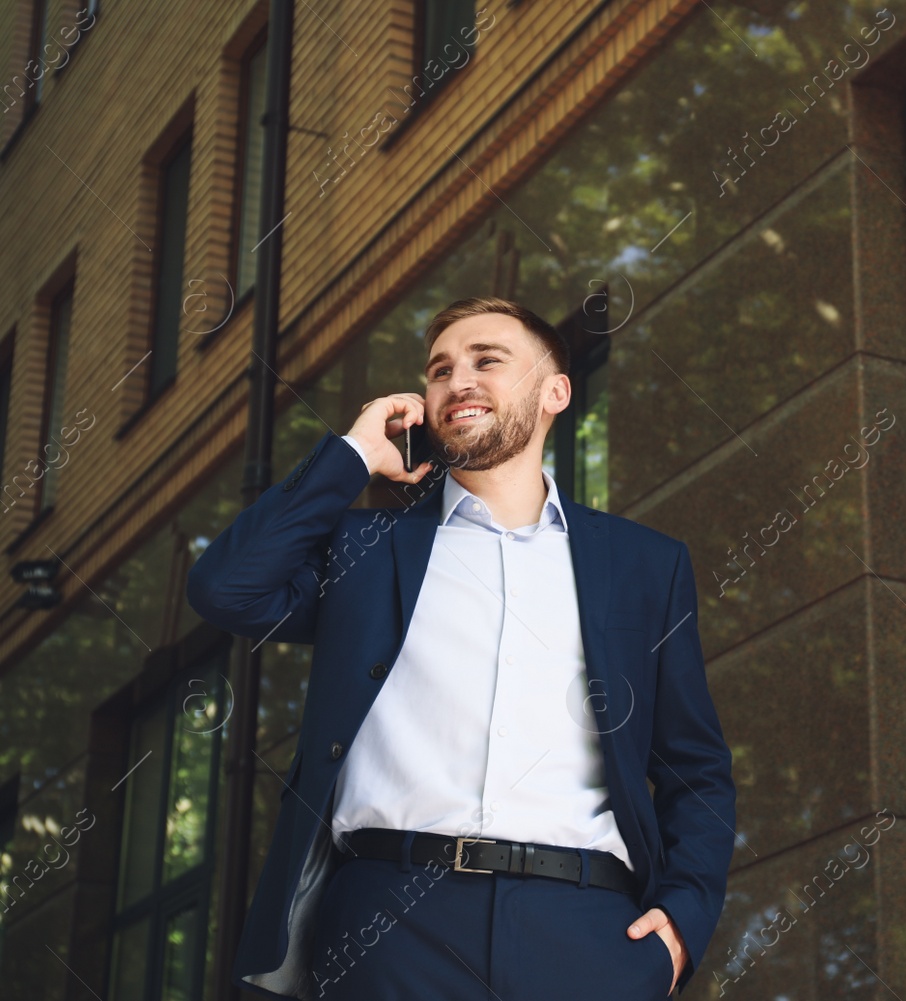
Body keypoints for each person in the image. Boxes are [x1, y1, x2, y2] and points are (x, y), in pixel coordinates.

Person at [187, 296, 736, 1000]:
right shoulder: (366, 549)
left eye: (488, 359)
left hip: (587, 934)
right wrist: (352, 455)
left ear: (555, 391)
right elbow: (226, 588)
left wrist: (682, 925)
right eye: (439, 369)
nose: (457, 380)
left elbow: (695, 766)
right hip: (387, 927)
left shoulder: (643, 565)